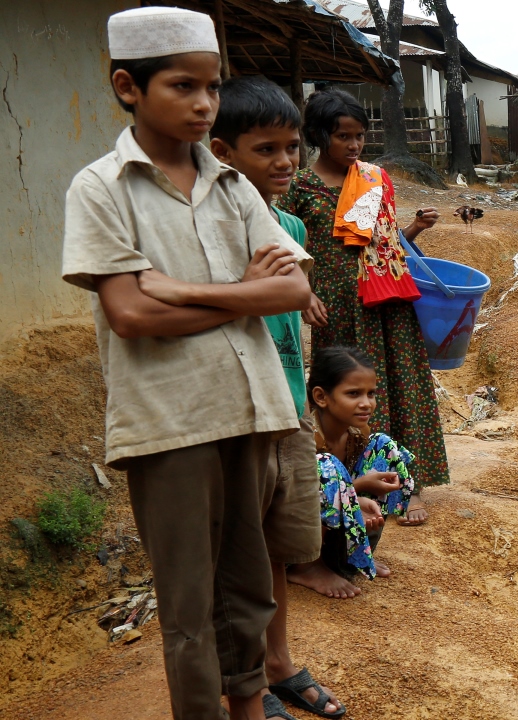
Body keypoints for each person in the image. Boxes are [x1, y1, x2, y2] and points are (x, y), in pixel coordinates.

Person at [61, 8, 312, 720]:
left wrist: (186, 290)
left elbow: (293, 288)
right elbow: (132, 315)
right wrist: (244, 295)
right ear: (128, 87)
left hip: (254, 407)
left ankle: (251, 710)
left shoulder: (232, 186)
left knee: (249, 586)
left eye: (212, 86)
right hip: (169, 420)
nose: (204, 103)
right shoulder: (101, 188)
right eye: (183, 86)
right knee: (189, 605)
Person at [209, 76, 345, 720]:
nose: (286, 162)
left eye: (292, 147)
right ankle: (245, 683)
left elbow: (289, 308)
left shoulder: (289, 223)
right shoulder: (211, 229)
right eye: (267, 149)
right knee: (237, 554)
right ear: (223, 152)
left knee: (278, 545)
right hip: (239, 411)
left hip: (288, 403)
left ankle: (280, 660)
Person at [277, 89, 448, 536]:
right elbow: (286, 246)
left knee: (400, 384)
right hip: (337, 308)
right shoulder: (299, 188)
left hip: (386, 300)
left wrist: (415, 228)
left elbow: (383, 242)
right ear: (319, 136)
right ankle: (357, 486)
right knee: (345, 399)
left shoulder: (372, 178)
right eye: (343, 137)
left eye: (359, 136)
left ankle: (407, 483)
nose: (354, 146)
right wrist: (303, 294)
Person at [297, 347, 416, 583]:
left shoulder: (357, 432)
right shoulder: (305, 437)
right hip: (296, 530)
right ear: (321, 397)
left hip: (336, 510)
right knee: (325, 464)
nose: (366, 403)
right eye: (353, 394)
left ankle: (359, 553)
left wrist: (356, 493)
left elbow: (342, 486)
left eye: (370, 393)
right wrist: (358, 489)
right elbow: (300, 493)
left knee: (384, 446)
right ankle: (307, 566)